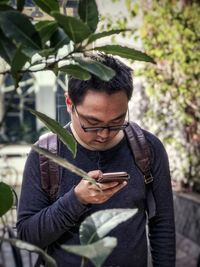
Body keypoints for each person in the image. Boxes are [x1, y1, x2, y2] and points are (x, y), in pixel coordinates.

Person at [17, 54, 176, 267]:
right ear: (68, 102)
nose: (104, 134)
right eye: (92, 122)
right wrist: (76, 200)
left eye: (117, 121)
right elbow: (27, 236)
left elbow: (162, 226)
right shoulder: (45, 155)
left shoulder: (148, 149)